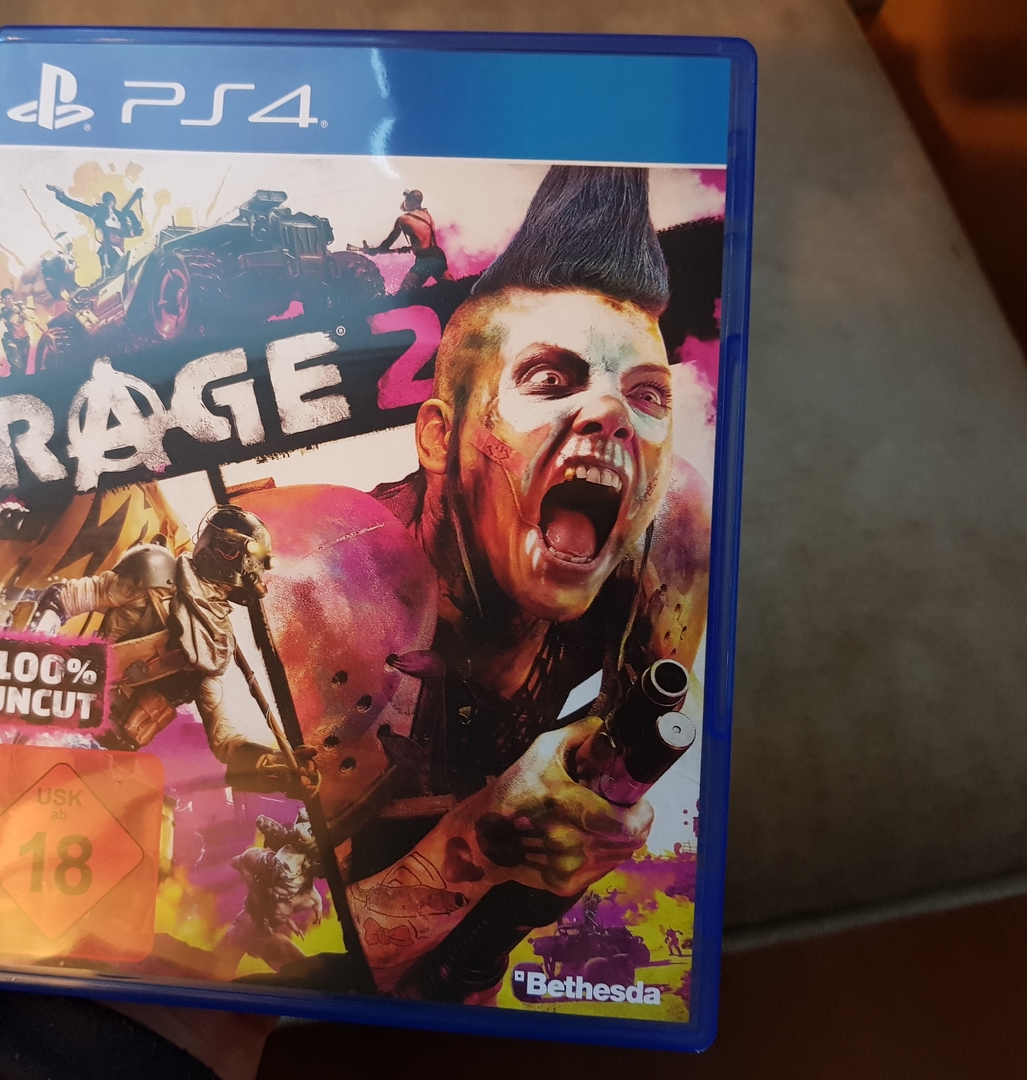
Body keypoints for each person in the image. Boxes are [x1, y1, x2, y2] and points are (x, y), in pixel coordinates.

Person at [341, 166, 712, 1001]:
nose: (612, 414)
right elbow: (244, 960)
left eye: (646, 393)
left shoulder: (667, 530)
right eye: (550, 380)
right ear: (437, 437)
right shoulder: (319, 596)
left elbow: (633, 756)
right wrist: (475, 849)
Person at [29, 505, 318, 796]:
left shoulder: (216, 643)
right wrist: (32, 657)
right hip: (57, 718)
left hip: (103, 756)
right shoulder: (156, 573)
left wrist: (273, 763)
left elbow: (223, 740)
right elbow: (63, 599)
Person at [46, 185, 144, 277]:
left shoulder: (119, 216)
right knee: (111, 264)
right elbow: (79, 207)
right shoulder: (99, 213)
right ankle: (107, 274)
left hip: (115, 248)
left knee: (117, 266)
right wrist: (63, 198)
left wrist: (136, 196)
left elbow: (127, 210)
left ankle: (109, 274)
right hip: (109, 249)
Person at [365, 189, 451, 291]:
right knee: (451, 287)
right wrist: (411, 247)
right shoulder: (427, 215)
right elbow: (424, 239)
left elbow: (388, 242)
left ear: (410, 201)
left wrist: (374, 251)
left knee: (405, 291)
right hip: (439, 255)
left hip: (425, 258)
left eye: (406, 200)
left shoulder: (404, 220)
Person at [0, 288, 31, 374]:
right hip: (12, 340)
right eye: (6, 299)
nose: (8, 301)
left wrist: (21, 308)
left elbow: (28, 317)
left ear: (12, 298)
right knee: (16, 364)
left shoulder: (19, 308)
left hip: (24, 340)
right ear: (2, 300)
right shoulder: (4, 311)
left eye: (10, 298)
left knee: (23, 367)